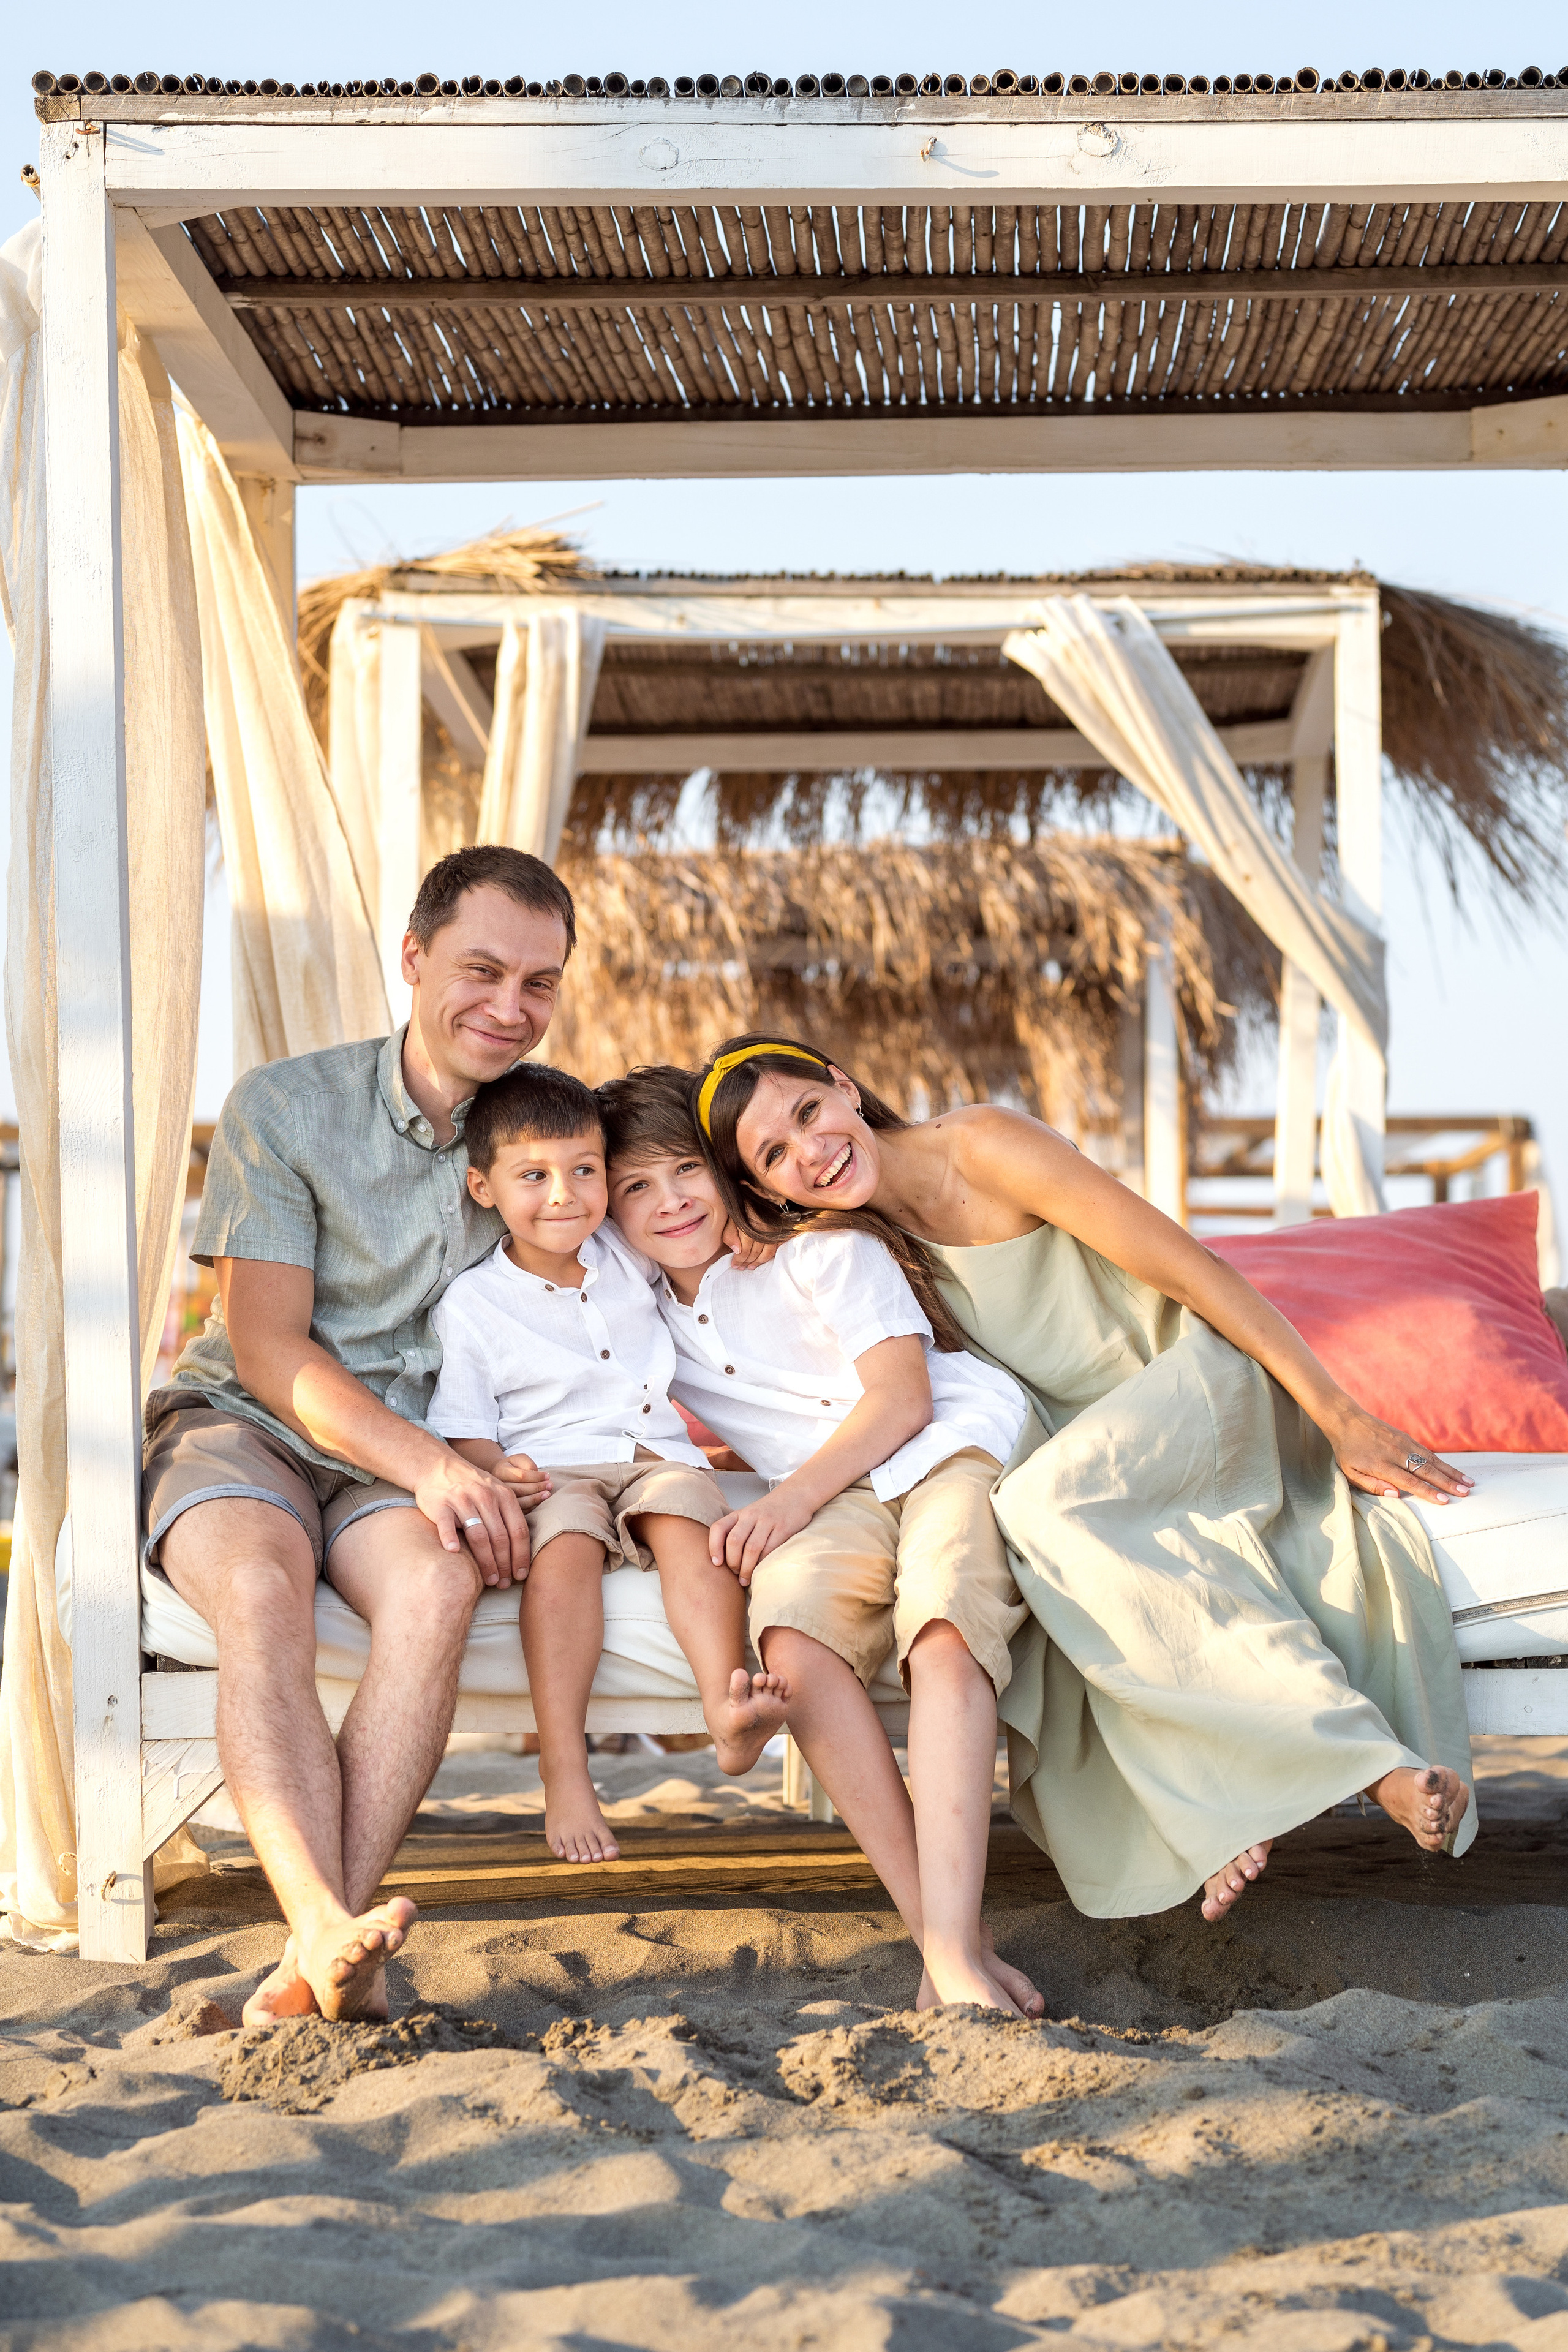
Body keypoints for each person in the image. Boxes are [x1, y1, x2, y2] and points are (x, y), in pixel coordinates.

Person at [693, 1035, 1477, 1928]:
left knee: (1041, 1506)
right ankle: (1223, 1802)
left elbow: (1194, 1269)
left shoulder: (983, 1145)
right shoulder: (852, 1244)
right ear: (765, 1191)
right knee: (1030, 1555)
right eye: (775, 1156)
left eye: (808, 1112)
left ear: (843, 1084)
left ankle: (1369, 1767)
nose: (811, 1150)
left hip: (1185, 1384)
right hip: (1077, 1446)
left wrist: (1338, 1414)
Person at [145, 846, 575, 2025]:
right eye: (482, 970)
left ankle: (315, 1951)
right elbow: (269, 1350)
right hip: (249, 1425)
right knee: (258, 1593)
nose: (510, 1007)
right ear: (413, 958)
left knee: (437, 1589)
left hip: (413, 1459)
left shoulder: (546, 1133)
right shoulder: (287, 1106)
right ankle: (325, 1933)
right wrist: (435, 1465)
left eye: (539, 983)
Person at [599, 1065, 1044, 2017]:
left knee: (942, 1628)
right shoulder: (643, 1311)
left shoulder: (821, 1251)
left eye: (686, 1170)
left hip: (945, 1446)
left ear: (729, 1172)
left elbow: (904, 1399)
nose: (669, 1201)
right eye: (636, 1186)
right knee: (794, 1642)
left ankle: (953, 1948)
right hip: (833, 1493)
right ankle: (947, 1943)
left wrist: (787, 1503)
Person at [426, 1063, 790, 1865]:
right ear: (483, 1188)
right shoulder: (473, 1305)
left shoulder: (625, 1255)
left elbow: (687, 1237)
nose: (565, 1195)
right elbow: (463, 1429)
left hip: (655, 1457)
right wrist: (498, 1471)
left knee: (691, 1526)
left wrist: (742, 1230)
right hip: (554, 1471)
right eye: (534, 1176)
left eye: (585, 1171)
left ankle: (724, 1708)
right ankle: (564, 1769)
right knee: (564, 1555)